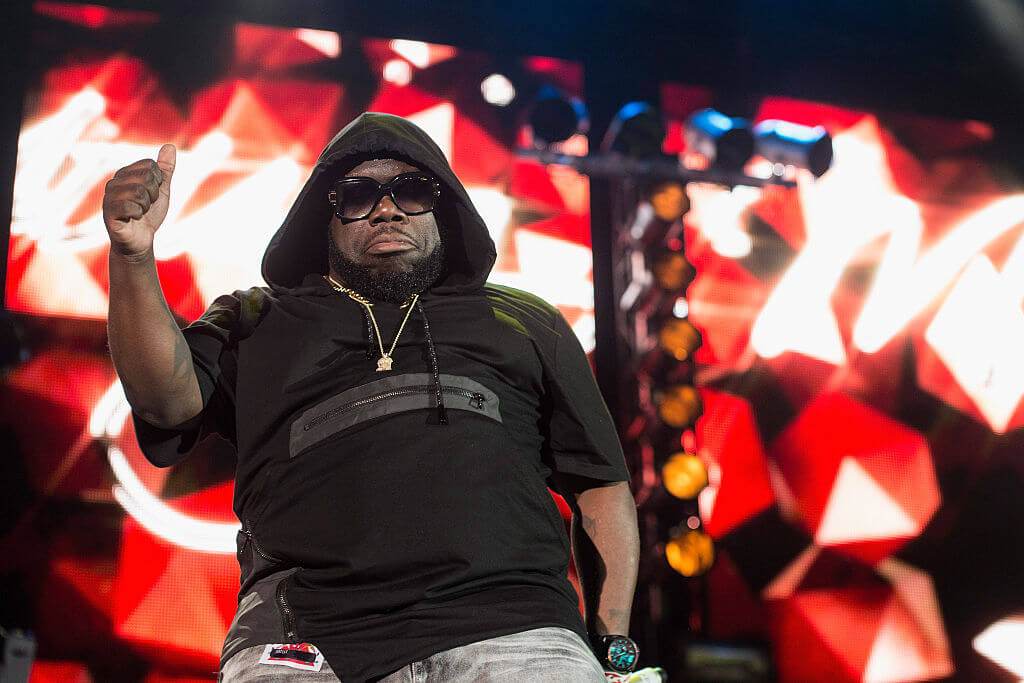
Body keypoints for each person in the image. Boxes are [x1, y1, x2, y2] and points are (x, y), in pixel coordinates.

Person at [104, 112, 640, 682]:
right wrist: (132, 256)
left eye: (410, 190)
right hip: (302, 636)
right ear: (325, 219)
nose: (387, 209)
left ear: (445, 205)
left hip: (514, 629)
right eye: (357, 196)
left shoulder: (527, 320)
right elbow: (168, 404)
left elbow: (600, 488)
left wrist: (613, 648)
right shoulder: (257, 316)